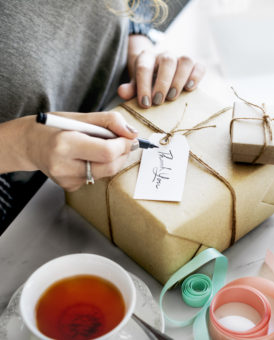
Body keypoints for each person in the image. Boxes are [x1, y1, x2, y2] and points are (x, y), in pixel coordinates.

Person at [0, 0, 205, 229]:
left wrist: (137, 47)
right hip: (22, 218)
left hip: (123, 108)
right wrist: (22, 144)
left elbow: (131, 5)